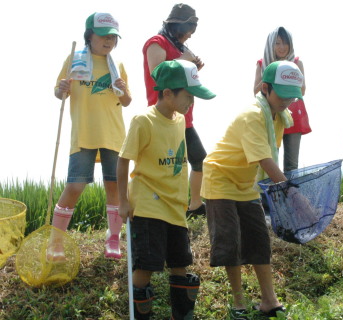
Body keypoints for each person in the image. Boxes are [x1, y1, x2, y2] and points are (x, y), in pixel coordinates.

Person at [201, 61, 304, 319]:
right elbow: (265, 160)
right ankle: (238, 302)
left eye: (293, 95)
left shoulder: (279, 117)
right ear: (266, 88)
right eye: (282, 93)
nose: (288, 100)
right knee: (230, 240)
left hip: (246, 184)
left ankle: (270, 300)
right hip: (221, 179)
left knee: (259, 238)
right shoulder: (253, 115)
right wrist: (292, 193)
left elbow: (269, 154)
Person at [117, 60, 215, 320]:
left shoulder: (181, 120)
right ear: (168, 92)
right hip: (149, 206)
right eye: (188, 95)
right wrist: (123, 202)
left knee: (180, 266)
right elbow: (123, 159)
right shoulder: (143, 121)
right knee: (146, 267)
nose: (191, 101)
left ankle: (180, 316)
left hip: (175, 208)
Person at [49, 12, 131, 261]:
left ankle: (113, 238)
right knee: (74, 186)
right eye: (104, 36)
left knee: (113, 186)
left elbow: (126, 102)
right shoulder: (74, 59)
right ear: (89, 35)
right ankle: (56, 241)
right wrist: (61, 88)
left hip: (113, 134)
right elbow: (59, 92)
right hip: (83, 133)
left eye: (113, 37)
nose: (109, 41)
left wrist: (124, 91)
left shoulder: (118, 67)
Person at [142, 3, 207, 217]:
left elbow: (180, 74)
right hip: (163, 116)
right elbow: (157, 73)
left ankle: (195, 205)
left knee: (199, 159)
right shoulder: (156, 42)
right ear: (178, 25)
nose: (190, 35)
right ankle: (160, 208)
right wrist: (184, 60)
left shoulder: (179, 47)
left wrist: (193, 67)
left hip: (184, 116)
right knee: (166, 165)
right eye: (188, 30)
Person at [254, 26, 311, 173]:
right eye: (277, 43)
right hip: (270, 116)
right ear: (271, 44)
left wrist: (287, 71)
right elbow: (255, 91)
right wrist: (271, 71)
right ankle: (270, 195)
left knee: (292, 165)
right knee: (271, 159)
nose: (282, 47)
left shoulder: (297, 63)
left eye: (285, 43)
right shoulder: (262, 64)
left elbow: (302, 90)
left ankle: (289, 196)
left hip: (294, 116)